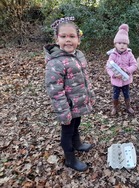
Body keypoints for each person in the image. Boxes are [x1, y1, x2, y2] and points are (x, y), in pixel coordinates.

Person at [44, 17, 95, 172]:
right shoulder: (56, 62)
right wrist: (63, 111)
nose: (68, 40)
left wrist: (89, 95)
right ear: (56, 39)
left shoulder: (79, 55)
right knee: (67, 131)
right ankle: (70, 159)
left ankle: (77, 143)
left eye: (72, 36)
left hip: (78, 103)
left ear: (78, 39)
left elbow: (85, 78)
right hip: (67, 106)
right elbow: (55, 90)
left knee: (76, 125)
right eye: (63, 36)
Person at [106, 24, 137, 116]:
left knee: (126, 94)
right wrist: (113, 75)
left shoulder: (129, 54)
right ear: (115, 44)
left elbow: (134, 65)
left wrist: (127, 70)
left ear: (127, 44)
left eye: (124, 43)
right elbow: (108, 66)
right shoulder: (113, 55)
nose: (122, 45)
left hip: (126, 80)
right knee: (115, 94)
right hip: (116, 80)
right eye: (119, 43)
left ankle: (128, 106)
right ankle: (115, 107)